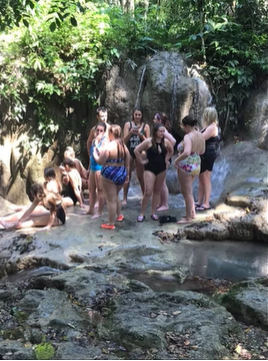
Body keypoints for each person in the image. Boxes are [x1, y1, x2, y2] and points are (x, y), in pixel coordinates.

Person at [93, 124, 130, 230]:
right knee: (115, 195)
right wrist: (126, 174)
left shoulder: (109, 146)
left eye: (108, 132)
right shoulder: (123, 145)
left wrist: (95, 154)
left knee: (111, 199)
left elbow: (100, 161)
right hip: (121, 172)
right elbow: (127, 161)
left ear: (112, 133)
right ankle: (119, 215)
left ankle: (110, 223)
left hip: (109, 173)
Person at [134, 123, 174, 222]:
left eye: (163, 131)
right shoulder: (148, 142)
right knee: (148, 191)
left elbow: (171, 151)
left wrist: (167, 159)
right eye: (160, 131)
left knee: (157, 191)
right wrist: (142, 161)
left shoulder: (166, 142)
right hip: (149, 169)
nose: (162, 133)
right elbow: (136, 150)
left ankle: (153, 213)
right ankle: (142, 213)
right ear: (155, 132)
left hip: (162, 169)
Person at [174, 116, 205, 224]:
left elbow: (186, 152)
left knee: (186, 192)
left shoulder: (188, 136)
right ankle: (192, 213)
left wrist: (176, 160)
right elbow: (202, 151)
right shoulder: (200, 135)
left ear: (187, 126)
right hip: (196, 164)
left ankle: (188, 218)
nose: (183, 129)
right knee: (189, 190)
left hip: (186, 165)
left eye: (183, 127)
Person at [0, 183, 66, 231]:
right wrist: (20, 220)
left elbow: (53, 213)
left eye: (32, 194)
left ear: (35, 193)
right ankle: (4, 220)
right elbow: (29, 210)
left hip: (59, 218)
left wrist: (48, 226)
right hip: (54, 213)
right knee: (30, 215)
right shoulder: (39, 196)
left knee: (33, 220)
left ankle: (11, 226)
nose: (32, 196)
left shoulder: (48, 198)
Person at [122, 108, 150, 205]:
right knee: (127, 175)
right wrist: (131, 132)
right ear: (133, 115)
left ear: (142, 115)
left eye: (139, 115)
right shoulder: (128, 125)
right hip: (129, 151)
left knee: (140, 175)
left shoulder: (146, 126)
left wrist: (141, 135)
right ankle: (124, 198)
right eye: (136, 114)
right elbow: (124, 141)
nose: (137, 116)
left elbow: (148, 142)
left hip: (140, 151)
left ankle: (144, 196)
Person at [196, 107, 221, 211]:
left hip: (208, 155)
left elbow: (201, 138)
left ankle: (206, 204)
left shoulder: (212, 127)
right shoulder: (208, 126)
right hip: (203, 154)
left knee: (206, 179)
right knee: (201, 179)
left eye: (205, 114)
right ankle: (199, 201)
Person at [153, 112, 176, 211]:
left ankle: (165, 204)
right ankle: (161, 203)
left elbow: (173, 141)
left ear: (159, 120)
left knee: (162, 182)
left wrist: (167, 153)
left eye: (154, 119)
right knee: (160, 181)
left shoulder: (163, 130)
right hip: (160, 158)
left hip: (164, 158)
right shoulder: (159, 130)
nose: (153, 120)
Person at [85, 122, 109, 218]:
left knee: (100, 190)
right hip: (93, 167)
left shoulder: (105, 141)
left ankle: (99, 211)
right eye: (97, 130)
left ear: (104, 131)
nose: (99, 132)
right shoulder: (94, 139)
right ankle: (91, 209)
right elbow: (91, 156)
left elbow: (101, 154)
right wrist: (88, 168)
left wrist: (96, 142)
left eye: (101, 130)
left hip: (100, 167)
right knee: (91, 189)